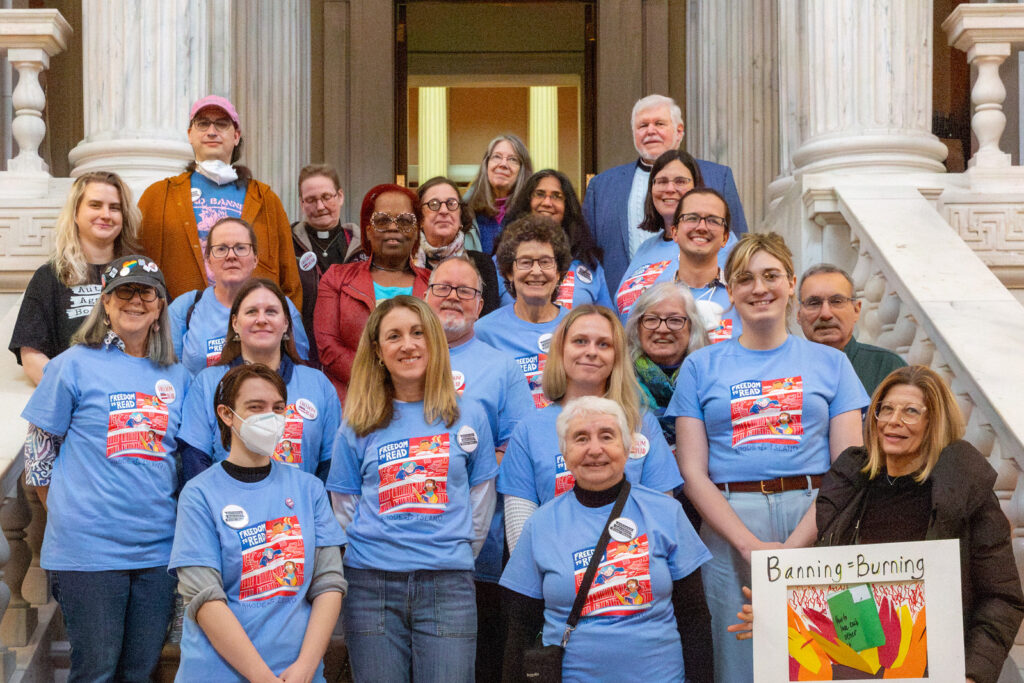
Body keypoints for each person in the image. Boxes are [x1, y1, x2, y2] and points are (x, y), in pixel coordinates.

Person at [730, 365, 1024, 683]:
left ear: (934, 422)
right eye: (886, 409)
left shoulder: (964, 491)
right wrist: (781, 616)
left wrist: (971, 675)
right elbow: (836, 592)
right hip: (864, 667)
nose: (893, 421)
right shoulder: (849, 486)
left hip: (944, 668)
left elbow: (1001, 598)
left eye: (911, 411)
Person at [666, 232, 869, 683]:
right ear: (729, 288)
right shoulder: (700, 367)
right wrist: (747, 544)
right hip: (729, 526)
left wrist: (791, 550)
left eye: (771, 275)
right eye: (745, 278)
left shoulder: (832, 364)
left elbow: (848, 471)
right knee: (740, 662)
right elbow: (692, 471)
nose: (759, 288)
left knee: (824, 657)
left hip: (816, 517)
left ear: (791, 282)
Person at [21, 255, 189, 682]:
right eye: (123, 292)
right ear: (106, 304)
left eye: (145, 292)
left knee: (140, 671)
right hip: (89, 554)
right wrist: (64, 512)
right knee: (96, 671)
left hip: (157, 553)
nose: (134, 301)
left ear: (159, 306)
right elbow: (39, 450)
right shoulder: (73, 364)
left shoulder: (178, 375)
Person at [326, 296, 498, 682]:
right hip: (370, 587)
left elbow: (480, 501)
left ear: (434, 341)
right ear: (377, 350)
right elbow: (344, 507)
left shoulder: (468, 414)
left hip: (447, 586)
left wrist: (446, 550)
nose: (408, 345)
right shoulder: (357, 422)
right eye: (394, 336)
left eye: (418, 333)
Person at [500, 396, 714, 683]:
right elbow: (521, 628)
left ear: (626, 449)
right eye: (580, 438)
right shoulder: (540, 525)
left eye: (607, 436)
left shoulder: (666, 512)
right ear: (564, 453)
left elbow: (695, 620)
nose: (595, 449)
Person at [170, 363, 346, 682]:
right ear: (226, 414)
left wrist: (306, 667)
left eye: (278, 408)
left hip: (297, 673)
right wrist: (263, 678)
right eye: (256, 407)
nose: (271, 417)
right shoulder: (199, 494)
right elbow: (205, 597)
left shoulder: (309, 489)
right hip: (218, 673)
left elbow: (329, 583)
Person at [424, 255, 535, 682]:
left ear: (480, 304)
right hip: (401, 537)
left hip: (479, 543)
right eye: (443, 288)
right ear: (426, 294)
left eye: (465, 291)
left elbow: (517, 446)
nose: (453, 298)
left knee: (478, 661)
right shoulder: (398, 352)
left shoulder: (500, 366)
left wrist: (458, 482)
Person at [499, 304, 683, 551]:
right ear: (561, 350)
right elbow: (519, 533)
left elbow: (663, 517)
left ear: (617, 356)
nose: (592, 352)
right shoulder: (529, 429)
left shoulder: (642, 422)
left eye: (604, 344)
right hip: (556, 575)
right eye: (580, 341)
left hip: (630, 573)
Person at [138, 94, 301, 306]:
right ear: (190, 134)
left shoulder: (265, 199)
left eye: (222, 124)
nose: (212, 132)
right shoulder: (159, 196)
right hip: (182, 330)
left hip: (253, 328)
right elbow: (138, 270)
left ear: (236, 136)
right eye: (203, 124)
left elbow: (290, 283)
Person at [178, 277, 338, 481]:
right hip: (230, 509)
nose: (261, 319)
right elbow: (195, 461)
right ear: (235, 323)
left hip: (300, 510)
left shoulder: (318, 384)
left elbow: (331, 465)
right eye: (251, 311)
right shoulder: (208, 383)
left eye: (271, 311)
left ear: (286, 323)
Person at [582, 94, 748, 291]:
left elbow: (740, 247)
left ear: (679, 131)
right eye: (643, 126)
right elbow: (587, 257)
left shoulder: (718, 176)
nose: (650, 131)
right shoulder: (602, 186)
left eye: (659, 124)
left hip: (706, 305)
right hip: (624, 311)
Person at [10, 171, 141, 385]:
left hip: (133, 399)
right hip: (75, 400)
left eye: (115, 207)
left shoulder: (140, 273)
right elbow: (31, 355)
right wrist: (70, 394)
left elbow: (164, 339)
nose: (106, 214)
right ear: (75, 213)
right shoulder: (50, 276)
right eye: (95, 205)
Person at [314, 184, 431, 403]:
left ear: (417, 231)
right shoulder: (336, 279)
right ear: (368, 230)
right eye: (382, 220)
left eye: (405, 221)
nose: (393, 228)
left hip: (421, 401)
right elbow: (328, 348)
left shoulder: (434, 284)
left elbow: (444, 346)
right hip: (353, 402)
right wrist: (381, 380)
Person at [168, 217, 308, 374]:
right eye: (221, 249)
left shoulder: (280, 306)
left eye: (240, 248)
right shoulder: (185, 307)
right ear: (208, 260)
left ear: (255, 259)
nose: (231, 256)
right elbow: (172, 376)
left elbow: (298, 370)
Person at [618, 184, 741, 344]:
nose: (702, 227)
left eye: (713, 220)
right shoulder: (649, 299)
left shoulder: (741, 298)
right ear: (675, 232)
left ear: (725, 237)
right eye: (691, 218)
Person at [474, 215, 571, 409]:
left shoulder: (577, 326)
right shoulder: (483, 331)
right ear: (509, 272)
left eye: (545, 262)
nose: (536, 271)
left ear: (558, 272)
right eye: (526, 262)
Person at [499, 169, 613, 310]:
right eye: (539, 194)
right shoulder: (502, 260)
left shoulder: (588, 262)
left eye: (556, 196)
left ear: (567, 207)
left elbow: (608, 319)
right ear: (527, 201)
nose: (547, 202)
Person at [797, 263, 907, 395]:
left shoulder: (887, 367)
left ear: (856, 310)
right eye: (814, 303)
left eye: (837, 301)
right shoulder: (784, 368)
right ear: (798, 315)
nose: (825, 314)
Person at [292, 164, 362, 365]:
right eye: (311, 200)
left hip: (353, 355)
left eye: (326, 197)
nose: (320, 207)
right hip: (304, 353)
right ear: (301, 203)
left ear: (340, 196)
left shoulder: (363, 246)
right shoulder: (287, 244)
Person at [415, 176, 501, 314]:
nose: (444, 211)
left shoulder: (482, 264)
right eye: (434, 204)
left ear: (461, 217)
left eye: (451, 204)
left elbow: (488, 321)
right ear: (419, 218)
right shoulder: (407, 264)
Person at [465, 134, 533, 254]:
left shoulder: (532, 213)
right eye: (497, 157)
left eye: (513, 159)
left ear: (523, 170)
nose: (503, 164)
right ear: (486, 165)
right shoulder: (466, 212)